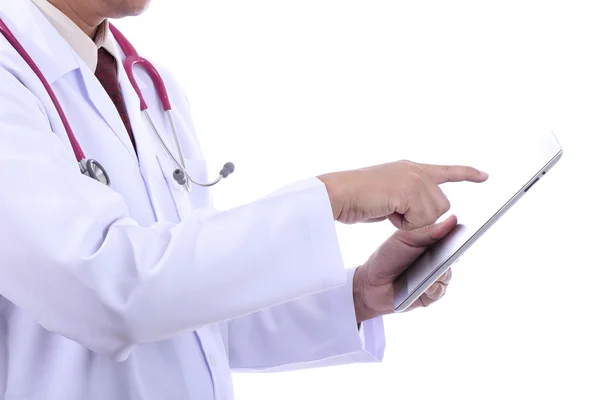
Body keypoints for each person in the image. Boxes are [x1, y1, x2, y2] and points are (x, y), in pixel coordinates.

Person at [0, 0, 488, 399]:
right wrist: (329, 197)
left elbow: (193, 301)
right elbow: (107, 294)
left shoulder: (149, 85)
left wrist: (358, 295)